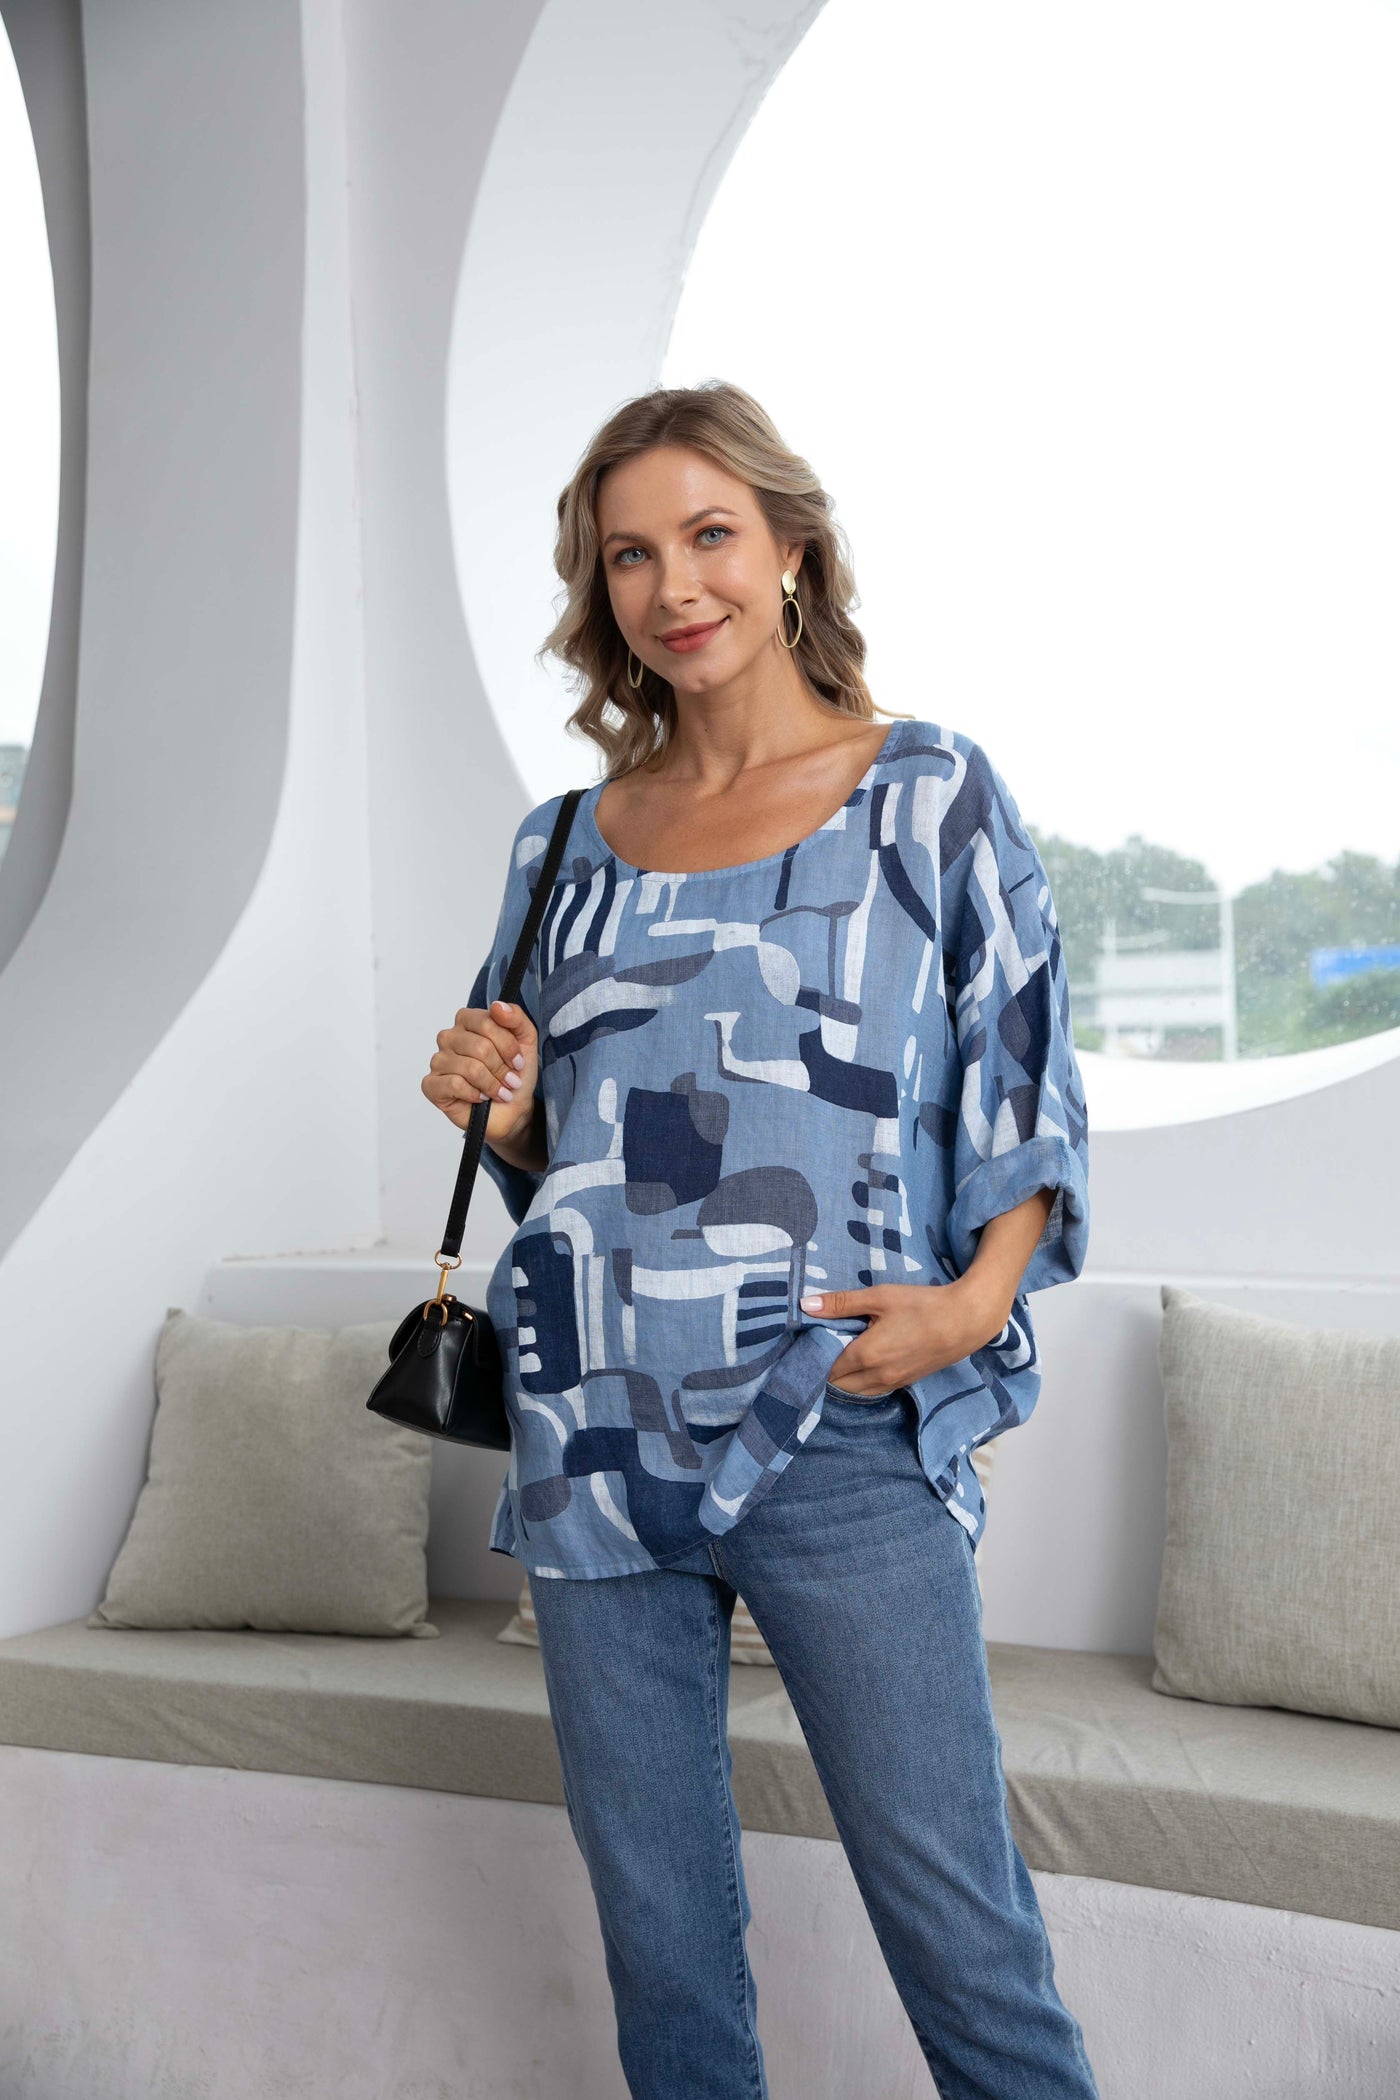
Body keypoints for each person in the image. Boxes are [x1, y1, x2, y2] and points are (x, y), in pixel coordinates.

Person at [422, 381, 1099, 2100]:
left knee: (963, 1935)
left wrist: (973, 1306)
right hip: (593, 1431)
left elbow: (1021, 1069)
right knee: (663, 1956)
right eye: (629, 554)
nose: (675, 585)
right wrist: (506, 1113)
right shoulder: (562, 846)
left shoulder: (926, 792)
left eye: (710, 534)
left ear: (790, 549)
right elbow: (570, 1159)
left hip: (836, 1420)